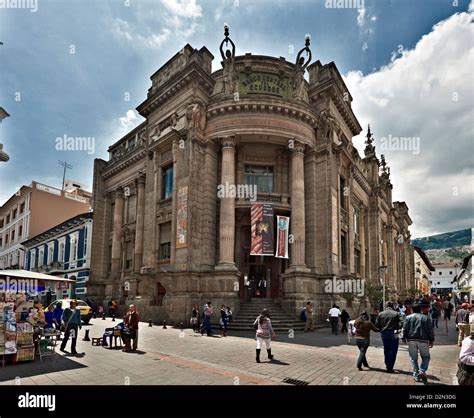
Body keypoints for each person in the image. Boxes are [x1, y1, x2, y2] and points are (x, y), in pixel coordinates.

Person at [402, 303, 435, 383]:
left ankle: (416, 375)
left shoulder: (408, 317)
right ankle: (422, 370)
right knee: (426, 357)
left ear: (412, 309)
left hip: (411, 340)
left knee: (413, 358)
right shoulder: (426, 318)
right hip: (423, 340)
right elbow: (430, 330)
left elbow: (404, 328)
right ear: (420, 309)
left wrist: (403, 338)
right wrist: (431, 340)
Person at [375, 301, 403, 373]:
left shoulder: (380, 314)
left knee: (386, 349)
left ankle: (387, 364)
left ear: (386, 306)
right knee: (393, 350)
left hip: (384, 333)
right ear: (392, 306)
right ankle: (390, 366)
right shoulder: (397, 314)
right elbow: (402, 323)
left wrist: (381, 329)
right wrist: (398, 329)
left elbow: (377, 324)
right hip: (394, 333)